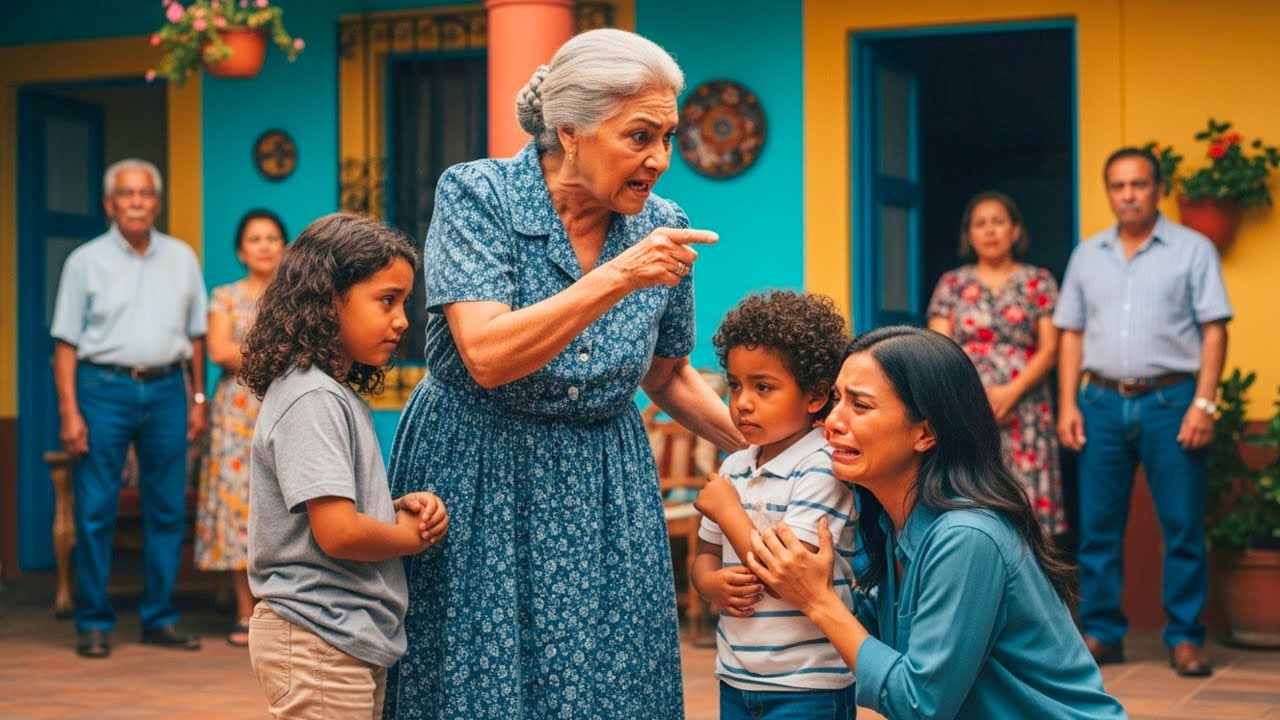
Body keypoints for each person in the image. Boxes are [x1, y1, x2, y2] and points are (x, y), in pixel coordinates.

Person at [385, 28, 742, 719]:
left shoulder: (661, 224)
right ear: (572, 131)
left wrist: (770, 453)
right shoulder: (478, 194)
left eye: (667, 138)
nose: (660, 160)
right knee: (478, 678)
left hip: (604, 482)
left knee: (609, 679)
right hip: (478, 468)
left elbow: (668, 376)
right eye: (640, 137)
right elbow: (485, 355)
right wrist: (616, 279)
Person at [704, 326, 1128, 720]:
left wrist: (818, 601)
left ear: (925, 433)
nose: (832, 422)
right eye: (837, 400)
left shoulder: (967, 537)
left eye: (861, 405)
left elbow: (920, 704)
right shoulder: (895, 526)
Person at [239, 213, 450, 718]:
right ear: (329, 300)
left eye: (404, 302)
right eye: (386, 300)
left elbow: (332, 511)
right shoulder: (311, 396)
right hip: (316, 635)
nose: (401, 319)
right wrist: (408, 536)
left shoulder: (332, 393)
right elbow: (336, 532)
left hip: (339, 633)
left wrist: (389, 508)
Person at [1054, 147, 1231, 677]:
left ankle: (1185, 637)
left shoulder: (1193, 249)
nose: (1128, 194)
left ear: (1157, 188)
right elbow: (1072, 333)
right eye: (1118, 185)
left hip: (1171, 403)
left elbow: (1214, 329)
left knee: (1180, 525)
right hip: (1102, 402)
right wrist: (1068, 403)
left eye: (1138, 184)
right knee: (1099, 528)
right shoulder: (1087, 255)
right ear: (1108, 191)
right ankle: (1104, 632)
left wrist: (1204, 402)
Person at [50, 158, 209, 659]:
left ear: (157, 203)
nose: (137, 201)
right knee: (95, 509)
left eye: (145, 193)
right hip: (103, 389)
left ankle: (159, 618)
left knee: (165, 509)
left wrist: (198, 399)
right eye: (126, 194)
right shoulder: (84, 261)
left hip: (167, 390)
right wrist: (70, 412)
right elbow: (65, 344)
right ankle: (93, 621)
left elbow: (197, 335)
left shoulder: (183, 257)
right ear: (109, 204)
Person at [691, 290, 858, 719]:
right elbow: (705, 558)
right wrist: (711, 586)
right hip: (737, 676)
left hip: (809, 683)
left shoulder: (822, 467)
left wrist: (728, 510)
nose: (742, 402)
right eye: (734, 385)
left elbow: (790, 576)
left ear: (816, 396)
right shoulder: (734, 468)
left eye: (763, 387)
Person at [927, 191, 1065, 536]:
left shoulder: (1038, 280)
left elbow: (1050, 349)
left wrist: (1011, 392)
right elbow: (940, 347)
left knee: (1026, 507)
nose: (990, 231)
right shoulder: (952, 284)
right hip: (966, 404)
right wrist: (975, 397)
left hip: (1025, 408)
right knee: (971, 499)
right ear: (969, 235)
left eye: (999, 222)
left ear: (1015, 231)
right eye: (981, 224)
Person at [194, 209, 288, 647]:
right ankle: (244, 610)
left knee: (286, 503)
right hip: (236, 413)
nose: (265, 245)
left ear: (285, 247)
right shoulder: (225, 296)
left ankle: (283, 606)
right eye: (255, 239)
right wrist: (276, 352)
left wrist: (249, 350)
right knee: (238, 506)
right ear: (240, 250)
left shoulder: (294, 297)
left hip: (285, 403)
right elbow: (218, 351)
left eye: (272, 237)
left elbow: (306, 346)